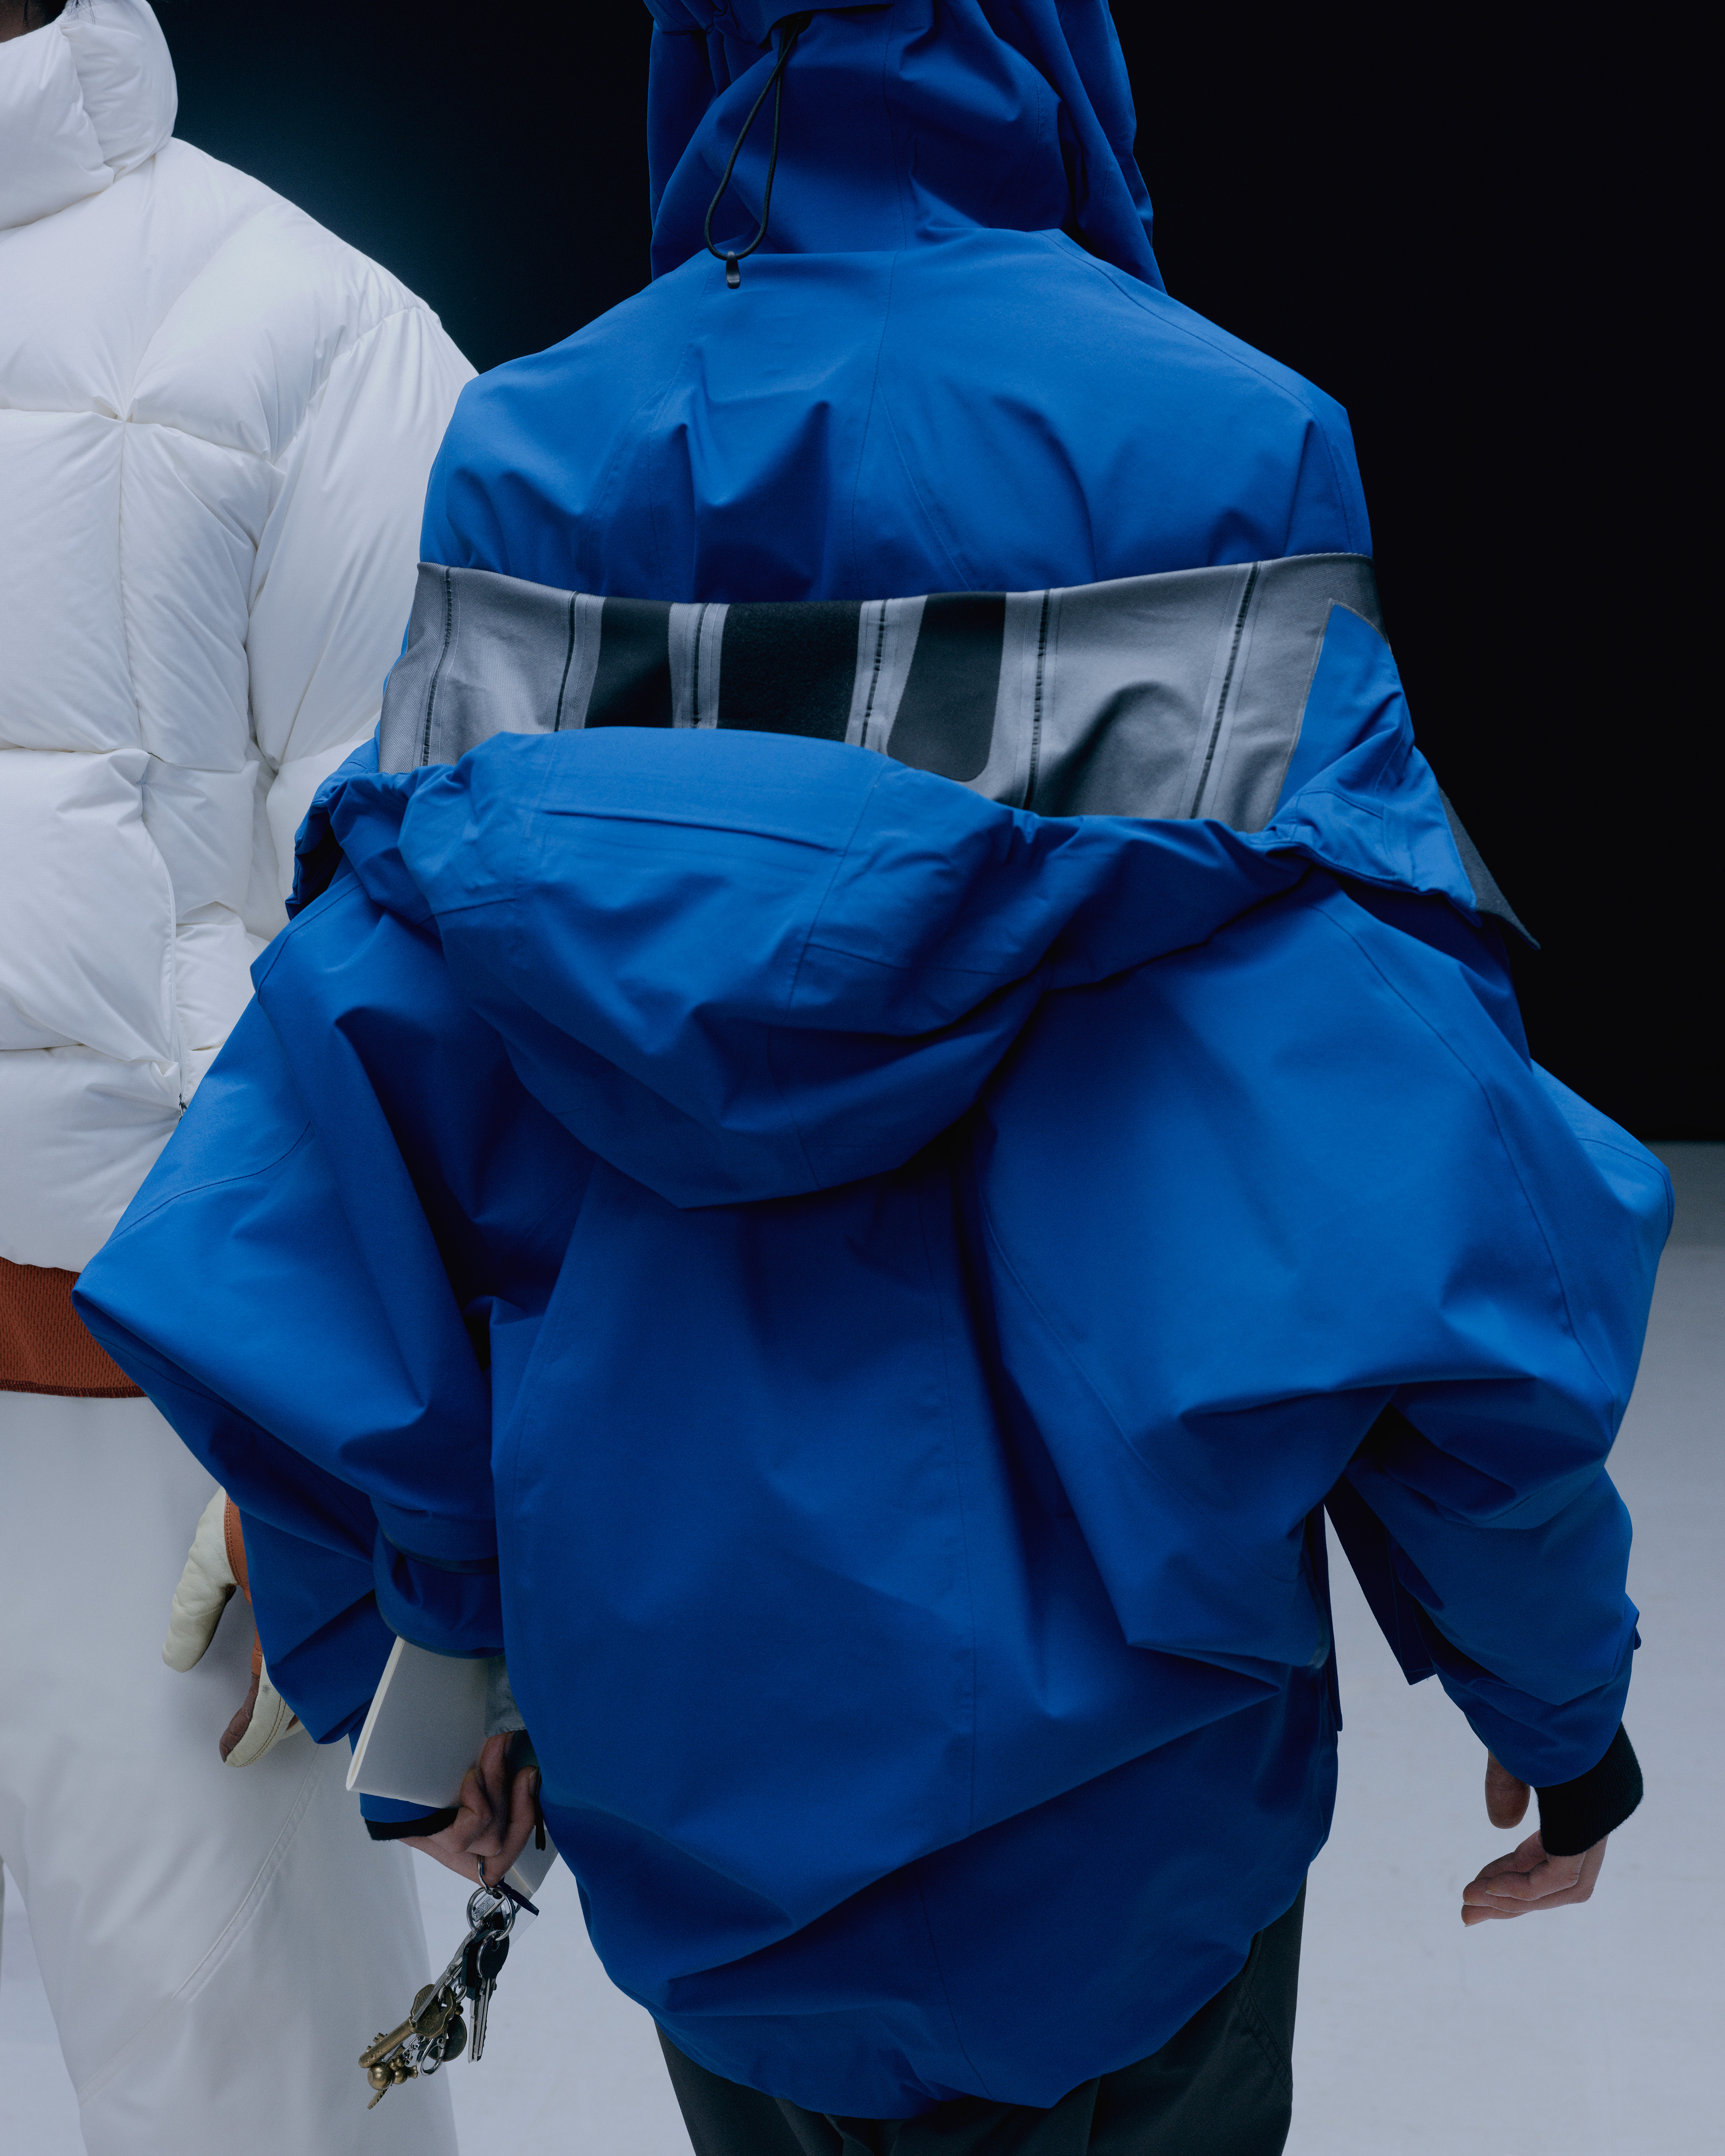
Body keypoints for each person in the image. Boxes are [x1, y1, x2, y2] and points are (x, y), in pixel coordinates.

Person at [78, 4, 1661, 2152]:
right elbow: (1404, 1178)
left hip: (688, 1748)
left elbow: (366, 1140)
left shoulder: (538, 461)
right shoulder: (1228, 445)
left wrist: (427, 1668)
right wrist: (1553, 1701)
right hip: (1144, 1782)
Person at [0, 2, 470, 2148]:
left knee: (255, 2117)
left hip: (151, 1418)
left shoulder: (308, 336)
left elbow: (422, 950)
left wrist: (335, 1447)